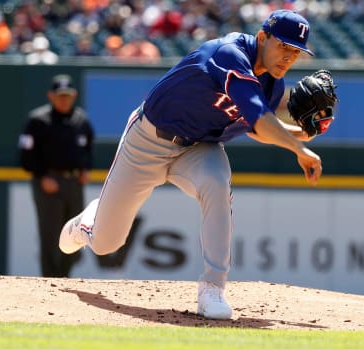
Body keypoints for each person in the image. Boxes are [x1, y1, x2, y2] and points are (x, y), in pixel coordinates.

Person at [58, 9, 324, 320]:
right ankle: (87, 222)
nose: (288, 57)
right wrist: (298, 148)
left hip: (198, 147)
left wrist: (300, 133)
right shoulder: (229, 53)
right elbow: (260, 119)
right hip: (148, 141)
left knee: (217, 184)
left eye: (296, 52)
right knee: (105, 243)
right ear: (262, 37)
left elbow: (253, 127)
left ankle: (213, 288)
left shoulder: (272, 84)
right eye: (284, 46)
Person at [18, 74, 94, 278]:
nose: (64, 99)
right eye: (60, 95)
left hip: (74, 182)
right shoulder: (38, 120)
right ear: (51, 96)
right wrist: (42, 176)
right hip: (48, 182)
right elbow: (26, 154)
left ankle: (64, 276)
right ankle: (50, 279)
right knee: (51, 234)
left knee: (73, 231)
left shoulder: (81, 120)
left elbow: (87, 148)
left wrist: (85, 169)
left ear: (74, 95)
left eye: (67, 95)